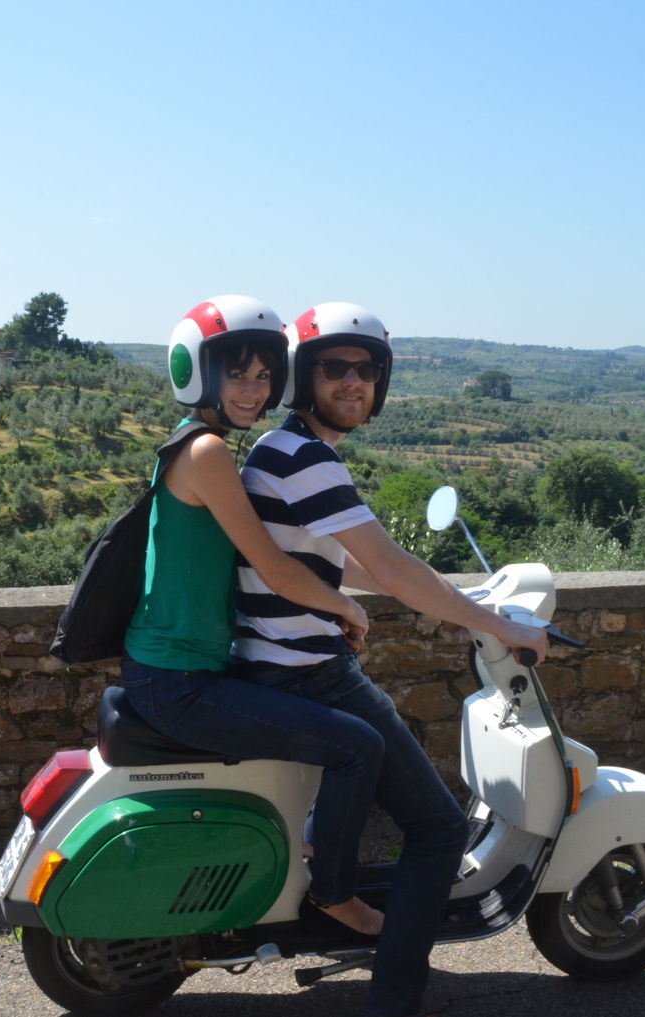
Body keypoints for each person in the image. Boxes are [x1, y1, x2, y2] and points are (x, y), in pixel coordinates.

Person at [232, 301, 549, 1017]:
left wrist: (462, 596)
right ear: (303, 376)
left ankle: (327, 870)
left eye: (366, 370)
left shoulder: (285, 451)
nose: (353, 382)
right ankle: (392, 996)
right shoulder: (304, 458)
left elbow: (351, 563)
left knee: (378, 760)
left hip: (279, 659)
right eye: (334, 367)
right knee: (439, 828)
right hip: (306, 668)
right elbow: (392, 568)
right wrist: (495, 621)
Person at [120, 294, 388, 936]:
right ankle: (335, 893)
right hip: (178, 682)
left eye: (264, 375)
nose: (252, 388)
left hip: (179, 668)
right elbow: (274, 568)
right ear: (200, 372)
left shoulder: (196, 445)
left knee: (329, 739)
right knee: (357, 746)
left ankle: (308, 856)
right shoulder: (210, 454)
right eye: (237, 373)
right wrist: (348, 606)